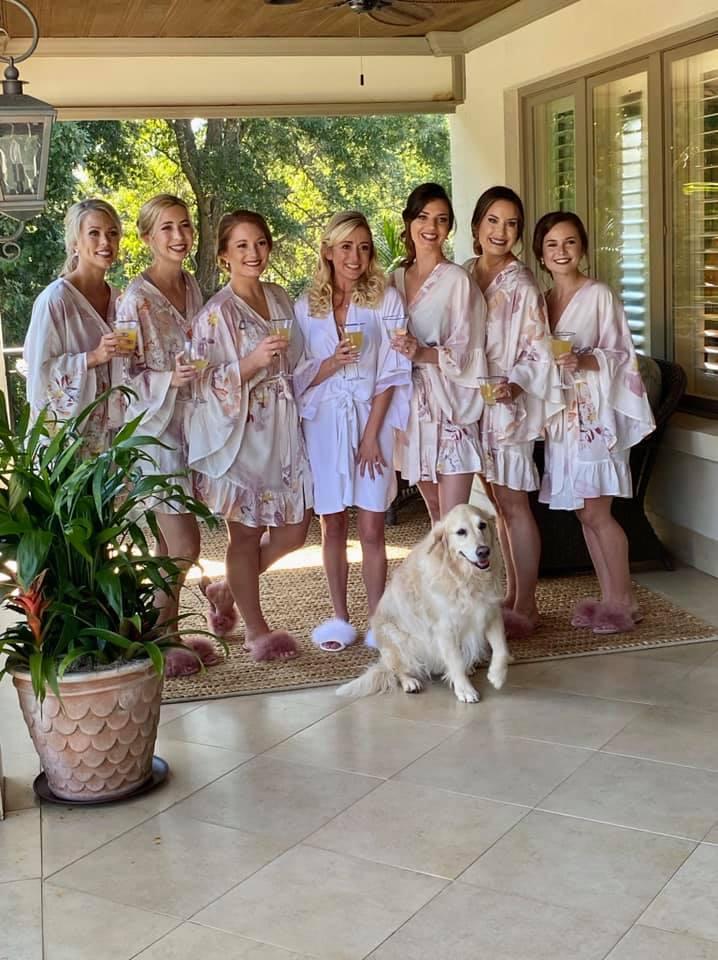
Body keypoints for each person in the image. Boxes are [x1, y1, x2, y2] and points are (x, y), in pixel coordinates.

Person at [187, 209, 313, 660]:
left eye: (260, 243)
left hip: (282, 430)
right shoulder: (216, 314)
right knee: (245, 533)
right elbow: (200, 381)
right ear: (224, 255)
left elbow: (298, 359)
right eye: (241, 245)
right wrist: (252, 362)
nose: (253, 253)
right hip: (240, 431)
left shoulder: (278, 297)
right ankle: (256, 631)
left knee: (295, 530)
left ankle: (226, 590)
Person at [293, 211, 412, 651]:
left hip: (370, 419)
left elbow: (393, 371)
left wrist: (370, 437)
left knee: (373, 525)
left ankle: (379, 621)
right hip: (325, 423)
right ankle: (339, 618)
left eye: (364, 247)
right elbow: (295, 373)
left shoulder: (386, 300)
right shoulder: (306, 306)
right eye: (346, 247)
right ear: (328, 251)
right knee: (332, 524)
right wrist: (331, 363)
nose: (355, 256)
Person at [533, 211, 655, 634]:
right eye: (552, 244)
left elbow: (623, 355)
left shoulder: (599, 295)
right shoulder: (542, 302)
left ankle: (624, 602)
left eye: (569, 242)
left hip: (595, 418)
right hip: (565, 420)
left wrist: (583, 360)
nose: (561, 251)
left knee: (598, 512)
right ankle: (609, 598)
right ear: (541, 254)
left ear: (582, 247)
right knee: (584, 513)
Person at [118, 193, 222, 678]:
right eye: (167, 228)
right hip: (156, 435)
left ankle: (162, 631)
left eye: (185, 226)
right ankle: (162, 636)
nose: (179, 236)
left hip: (192, 427)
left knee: (168, 544)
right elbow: (122, 376)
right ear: (147, 237)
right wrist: (167, 380)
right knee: (184, 544)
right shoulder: (134, 300)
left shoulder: (192, 286)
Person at [464, 186, 559, 639]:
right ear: (477, 224)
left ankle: (528, 603)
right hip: (474, 405)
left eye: (512, 224)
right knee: (498, 505)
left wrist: (514, 384)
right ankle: (512, 594)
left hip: (508, 406)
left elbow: (539, 349)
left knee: (515, 505)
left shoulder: (521, 283)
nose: (501, 232)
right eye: (493, 221)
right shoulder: (466, 273)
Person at [390, 182, 487, 524]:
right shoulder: (393, 280)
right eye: (423, 217)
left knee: (455, 519)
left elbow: (470, 350)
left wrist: (422, 353)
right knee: (434, 514)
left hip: (450, 404)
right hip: (411, 408)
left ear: (449, 227)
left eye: (441, 219)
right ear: (408, 221)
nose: (431, 227)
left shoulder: (457, 281)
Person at [24, 198, 124, 456]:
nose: (105, 242)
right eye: (94, 233)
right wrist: (92, 357)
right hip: (66, 446)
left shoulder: (119, 299)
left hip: (110, 441)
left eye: (112, 233)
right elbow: (38, 374)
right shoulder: (55, 300)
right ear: (75, 243)